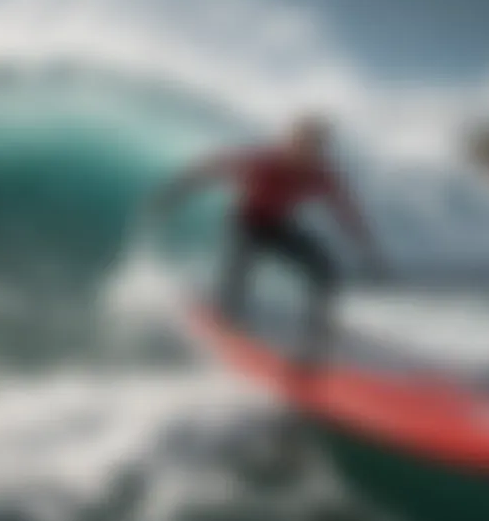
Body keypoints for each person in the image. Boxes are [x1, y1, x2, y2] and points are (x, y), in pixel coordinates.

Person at [146, 114, 385, 371]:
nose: (308, 152)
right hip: (247, 224)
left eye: (316, 146)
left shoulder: (319, 175)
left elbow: (345, 211)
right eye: (303, 144)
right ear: (291, 142)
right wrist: (174, 193)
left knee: (325, 272)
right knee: (238, 275)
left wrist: (367, 249)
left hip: (278, 226)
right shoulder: (263, 161)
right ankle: (225, 324)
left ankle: (316, 339)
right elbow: (213, 169)